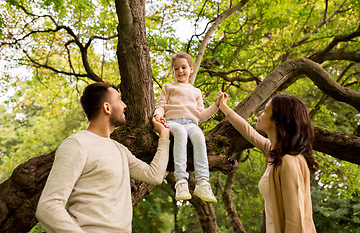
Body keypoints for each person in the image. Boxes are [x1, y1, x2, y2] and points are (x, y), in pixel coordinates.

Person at [36, 82, 170, 233]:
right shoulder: (77, 144)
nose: (125, 105)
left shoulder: (120, 150)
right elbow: (48, 207)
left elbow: (155, 175)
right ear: (107, 107)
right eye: (120, 100)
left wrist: (164, 136)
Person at [218, 93, 318, 233]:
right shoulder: (273, 151)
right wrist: (223, 107)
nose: (260, 112)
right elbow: (249, 132)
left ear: (278, 120)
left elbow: (295, 223)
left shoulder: (289, 161)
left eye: (265, 110)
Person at [154, 52, 221, 203]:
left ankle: (203, 182)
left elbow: (200, 116)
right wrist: (158, 115)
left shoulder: (196, 91)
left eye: (183, 67)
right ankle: (181, 181)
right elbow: (161, 105)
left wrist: (216, 105)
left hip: (191, 123)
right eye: (176, 68)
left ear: (191, 69)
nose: (180, 71)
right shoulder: (168, 87)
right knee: (180, 133)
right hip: (173, 122)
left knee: (198, 136)